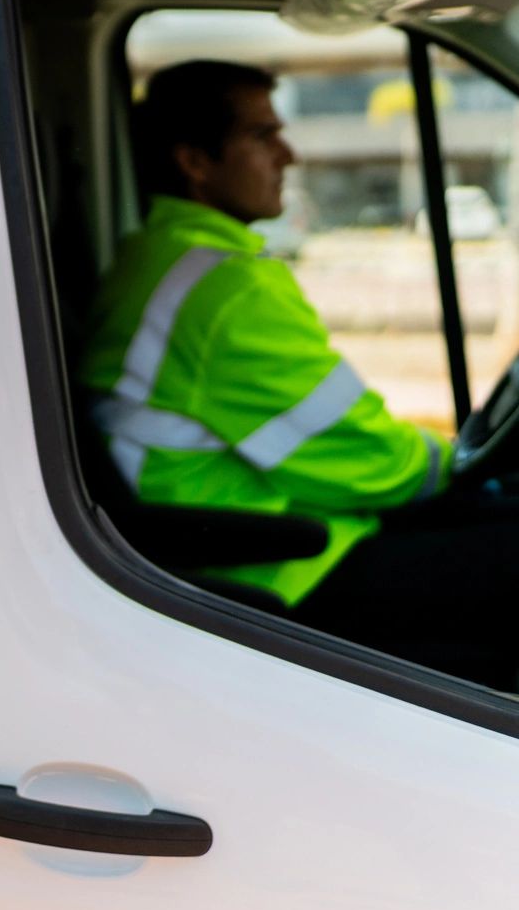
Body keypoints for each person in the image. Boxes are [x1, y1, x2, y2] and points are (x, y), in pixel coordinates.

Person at [81, 59, 519, 686]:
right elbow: (366, 459)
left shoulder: (156, 256)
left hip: (228, 541)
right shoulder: (226, 290)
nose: (288, 155)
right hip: (271, 567)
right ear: (195, 162)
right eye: (262, 136)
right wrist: (450, 464)